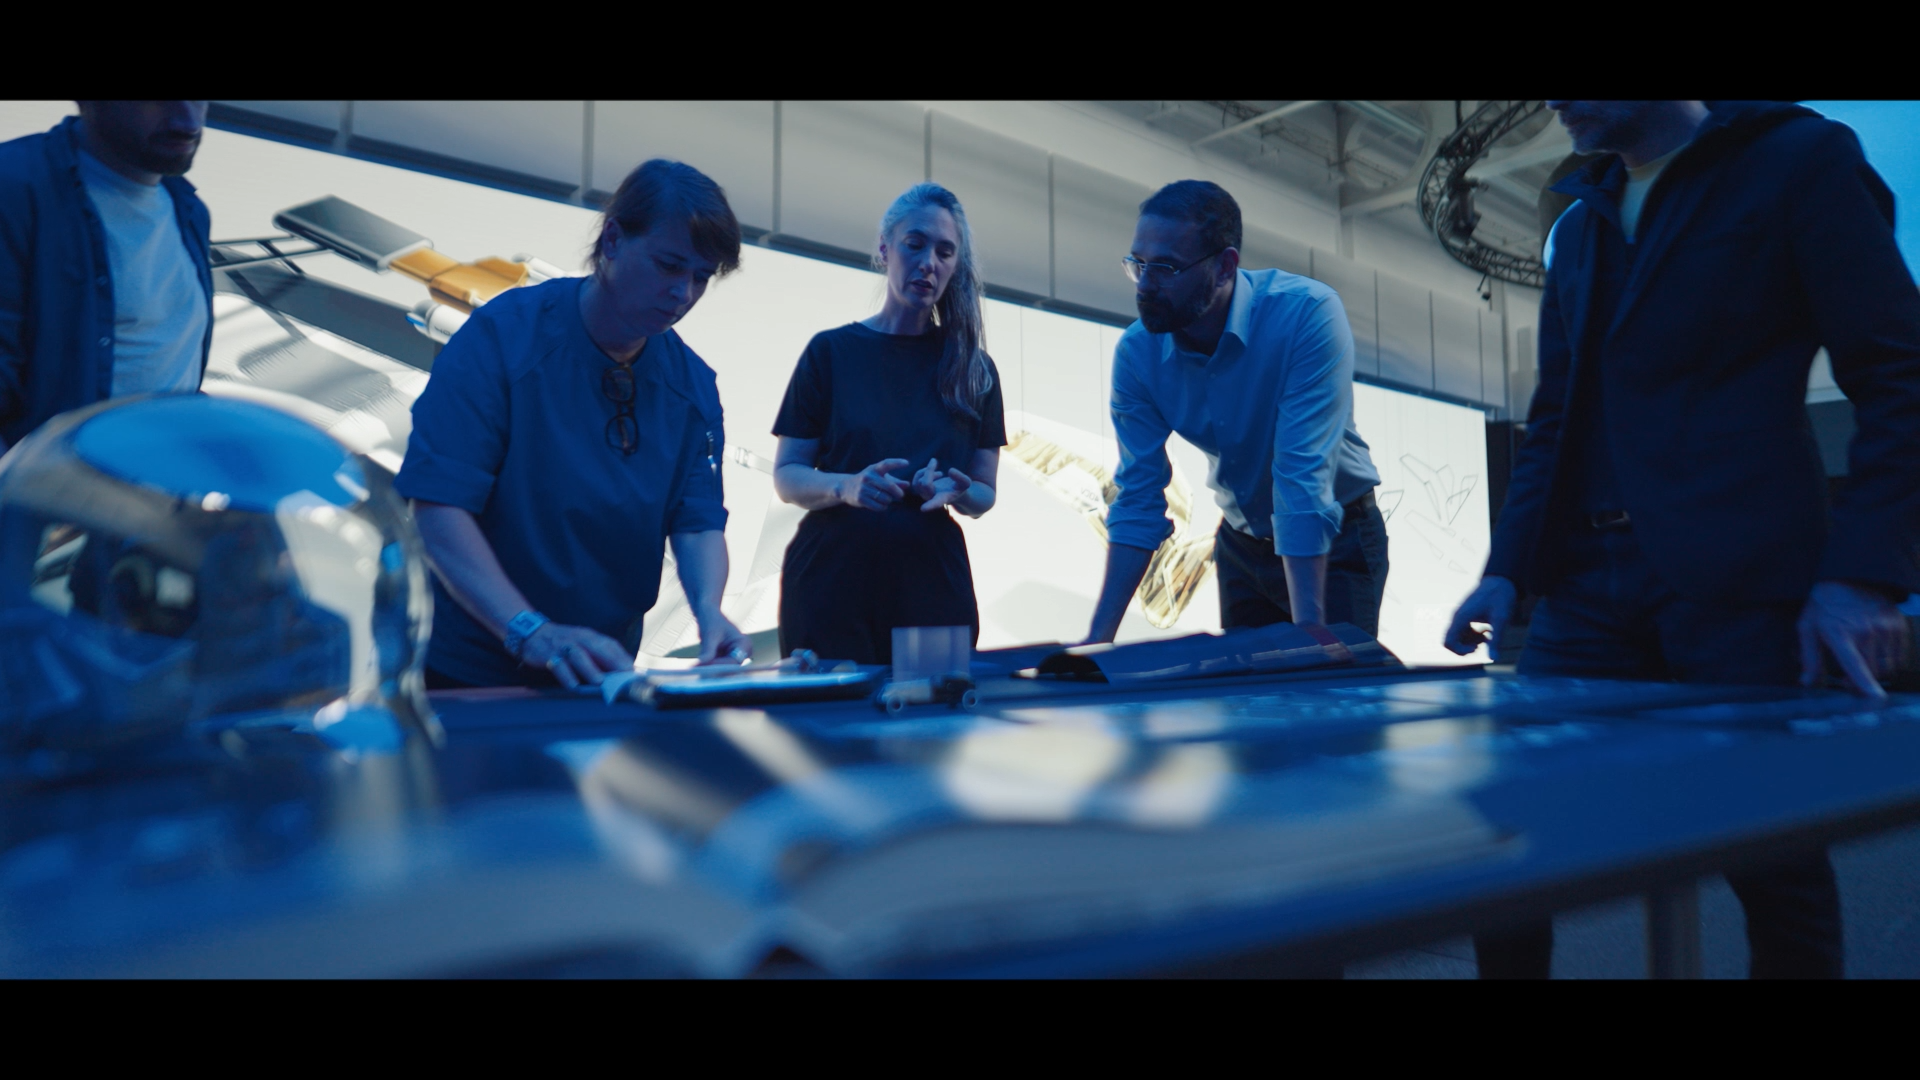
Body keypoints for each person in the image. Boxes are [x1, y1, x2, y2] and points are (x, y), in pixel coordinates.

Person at [1444, 101, 1920, 979]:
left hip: (1742, 578)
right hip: (1585, 588)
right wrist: (1506, 569)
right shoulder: (1580, 215)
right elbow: (1556, 416)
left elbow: (1900, 375)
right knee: (1506, 842)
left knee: (1773, 865)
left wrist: (1863, 576)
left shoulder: (1802, 158)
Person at [395, 159, 753, 689]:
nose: (684, 293)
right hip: (467, 671)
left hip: (598, 673)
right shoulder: (501, 339)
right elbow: (439, 508)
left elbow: (697, 520)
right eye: (669, 266)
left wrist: (708, 612)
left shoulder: (692, 385)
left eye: (701, 277)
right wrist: (528, 630)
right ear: (611, 241)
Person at [1086, 180, 1386, 645]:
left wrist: (1309, 631)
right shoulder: (1137, 355)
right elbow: (1138, 498)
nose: (1145, 285)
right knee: (1251, 705)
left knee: (1334, 697)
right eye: (1138, 265)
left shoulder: (1306, 314)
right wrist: (1096, 642)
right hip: (1242, 547)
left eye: (1165, 267)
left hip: (1336, 537)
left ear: (1225, 266)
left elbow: (1301, 475)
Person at [771, 183, 1005, 664]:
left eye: (945, 252)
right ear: (884, 248)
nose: (929, 263)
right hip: (830, 579)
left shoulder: (975, 369)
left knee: (931, 730)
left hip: (931, 581)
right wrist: (847, 487)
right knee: (827, 732)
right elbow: (787, 475)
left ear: (955, 265)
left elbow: (984, 494)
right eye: (914, 244)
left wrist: (958, 490)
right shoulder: (830, 352)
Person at [0, 101, 213, 453]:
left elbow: (168, 363)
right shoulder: (15, 194)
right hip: (63, 494)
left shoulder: (188, 209)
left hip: (164, 480)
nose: (187, 120)